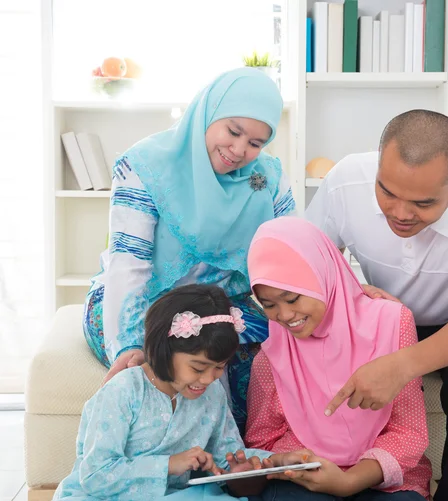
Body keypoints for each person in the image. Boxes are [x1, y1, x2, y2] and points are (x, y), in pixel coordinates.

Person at [305, 109, 448, 501]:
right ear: (378, 164)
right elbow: (307, 265)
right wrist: (356, 292)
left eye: (422, 203)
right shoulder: (345, 179)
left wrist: (401, 366)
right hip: (392, 320)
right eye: (387, 192)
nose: (400, 213)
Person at [82, 67, 296, 433]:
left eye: (257, 143)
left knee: (264, 356)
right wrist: (129, 344)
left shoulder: (269, 178)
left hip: (223, 307)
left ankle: (240, 462)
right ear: (207, 113)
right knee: (172, 357)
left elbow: (291, 253)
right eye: (233, 131)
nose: (240, 150)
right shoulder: (146, 166)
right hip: (145, 301)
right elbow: (127, 262)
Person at [55, 284, 309, 500]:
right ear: (163, 351)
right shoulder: (123, 392)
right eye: (198, 367)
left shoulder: (212, 394)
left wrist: (274, 462)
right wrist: (169, 465)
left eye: (219, 367)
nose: (209, 378)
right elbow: (94, 475)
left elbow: (228, 455)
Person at [244, 217, 431, 501]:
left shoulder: (392, 323)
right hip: (306, 483)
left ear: (323, 277)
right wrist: (292, 462)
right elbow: (261, 442)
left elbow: (409, 432)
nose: (283, 315)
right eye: (269, 305)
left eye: (292, 299)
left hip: (381, 480)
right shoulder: (272, 355)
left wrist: (348, 481)